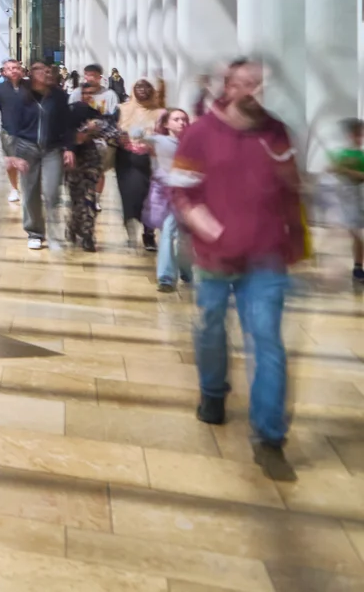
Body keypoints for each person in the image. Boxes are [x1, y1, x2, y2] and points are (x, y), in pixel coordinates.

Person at [172, 58, 304, 475]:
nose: (255, 92)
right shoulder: (198, 135)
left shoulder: (276, 131)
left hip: (266, 255)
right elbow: (182, 194)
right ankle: (213, 390)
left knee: (267, 339)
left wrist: (298, 239)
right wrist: (206, 228)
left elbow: (290, 188)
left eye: (261, 84)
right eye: (247, 84)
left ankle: (269, 435)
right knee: (211, 325)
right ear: (227, 87)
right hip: (215, 257)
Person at [0, 60, 71, 249]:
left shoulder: (59, 96)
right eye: (39, 70)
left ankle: (54, 232)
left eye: (46, 70)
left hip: (52, 148)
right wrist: (13, 155)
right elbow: (12, 125)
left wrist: (69, 148)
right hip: (26, 148)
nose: (44, 73)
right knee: (30, 192)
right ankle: (35, 231)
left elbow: (67, 123)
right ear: (31, 73)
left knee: (52, 192)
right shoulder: (22, 95)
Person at [63, 71, 119, 252]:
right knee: (75, 198)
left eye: (90, 94)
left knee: (89, 198)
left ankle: (88, 234)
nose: (87, 97)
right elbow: (65, 134)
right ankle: (73, 226)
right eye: (84, 93)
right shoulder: (69, 112)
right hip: (72, 160)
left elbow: (110, 132)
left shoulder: (97, 115)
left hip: (91, 159)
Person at [144, 106, 196, 291]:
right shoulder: (161, 140)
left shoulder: (193, 142)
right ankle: (165, 277)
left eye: (184, 119)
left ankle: (185, 269)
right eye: (176, 119)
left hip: (188, 194)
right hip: (167, 194)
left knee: (184, 237)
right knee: (168, 230)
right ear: (167, 124)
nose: (182, 122)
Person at [116, 79, 162, 250]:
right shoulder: (123, 109)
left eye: (146, 87)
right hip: (126, 159)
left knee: (149, 198)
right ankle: (131, 232)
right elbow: (113, 129)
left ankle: (149, 233)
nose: (142, 90)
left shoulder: (160, 113)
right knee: (130, 196)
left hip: (150, 160)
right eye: (138, 87)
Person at [329, 117, 364, 284]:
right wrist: (338, 168)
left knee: (358, 234)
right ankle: (358, 268)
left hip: (359, 197)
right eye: (356, 134)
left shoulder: (360, 156)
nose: (359, 137)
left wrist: (345, 170)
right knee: (356, 234)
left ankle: (358, 267)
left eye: (360, 134)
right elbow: (330, 169)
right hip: (350, 200)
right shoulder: (342, 153)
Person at [0, 59, 25, 203]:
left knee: (30, 161)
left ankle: (31, 188)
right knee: (10, 162)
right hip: (8, 130)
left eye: (16, 68)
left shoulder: (29, 87)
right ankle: (14, 189)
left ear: (21, 70)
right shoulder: (0, 89)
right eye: (9, 68)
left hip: (29, 131)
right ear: (4, 72)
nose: (13, 71)